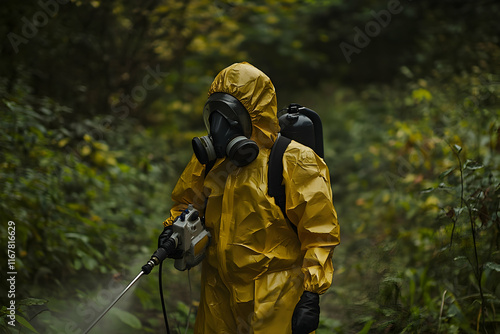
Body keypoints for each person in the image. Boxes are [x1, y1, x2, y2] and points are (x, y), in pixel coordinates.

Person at [159, 62, 340, 334]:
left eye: (229, 118)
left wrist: (311, 294)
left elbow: (320, 232)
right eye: (215, 115)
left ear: (253, 117)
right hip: (216, 290)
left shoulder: (294, 161)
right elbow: (186, 203)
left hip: (274, 296)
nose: (219, 128)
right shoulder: (210, 162)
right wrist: (173, 231)